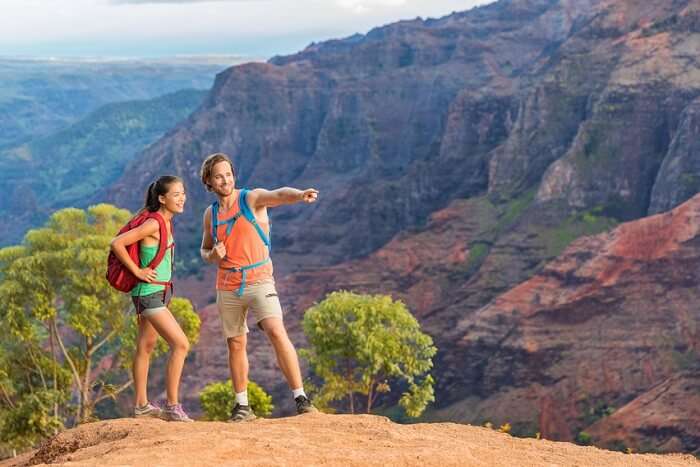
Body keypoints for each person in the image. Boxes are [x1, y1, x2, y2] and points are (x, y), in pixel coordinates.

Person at [199, 152, 318, 422]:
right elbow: (205, 250)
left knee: (276, 331)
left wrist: (300, 194)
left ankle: (301, 398)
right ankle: (242, 406)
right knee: (236, 343)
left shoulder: (250, 199)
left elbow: (278, 195)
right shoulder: (211, 214)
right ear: (209, 181)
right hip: (228, 285)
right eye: (218, 176)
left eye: (228, 174)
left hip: (260, 279)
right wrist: (213, 256)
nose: (225, 180)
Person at [110, 175, 193, 422]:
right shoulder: (155, 223)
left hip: (155, 293)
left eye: (183, 192)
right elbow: (117, 243)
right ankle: (172, 405)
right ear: (162, 198)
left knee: (145, 347)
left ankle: (141, 406)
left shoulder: (166, 222)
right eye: (176, 194)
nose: (182, 198)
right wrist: (137, 272)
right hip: (147, 294)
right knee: (181, 344)